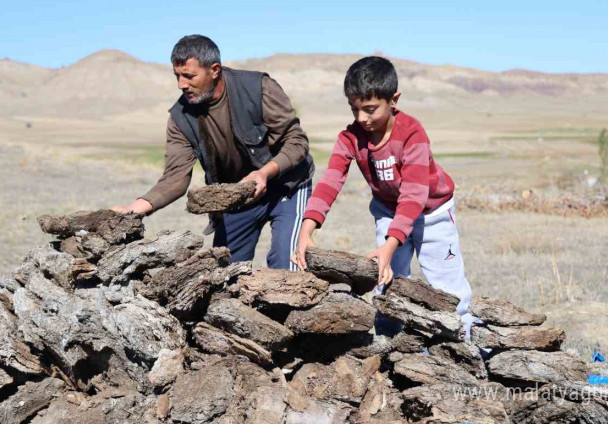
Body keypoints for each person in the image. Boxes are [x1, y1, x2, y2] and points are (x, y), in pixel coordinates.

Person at [291, 56, 475, 333]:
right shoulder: (350, 138)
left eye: (369, 109)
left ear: (394, 100)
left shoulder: (412, 133)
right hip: (389, 212)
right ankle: (389, 349)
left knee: (448, 289)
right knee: (386, 282)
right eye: (354, 109)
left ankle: (466, 345)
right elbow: (330, 182)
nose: (361, 118)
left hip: (432, 213)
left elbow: (414, 196)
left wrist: (390, 247)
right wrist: (305, 232)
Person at [113, 35, 314, 270]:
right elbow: (175, 177)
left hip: (287, 186)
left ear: (214, 70)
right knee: (224, 276)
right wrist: (133, 210)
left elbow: (297, 142)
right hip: (238, 196)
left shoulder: (258, 88)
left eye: (189, 76)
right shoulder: (180, 117)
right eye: (177, 76)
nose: (181, 84)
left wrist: (264, 174)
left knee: (286, 266)